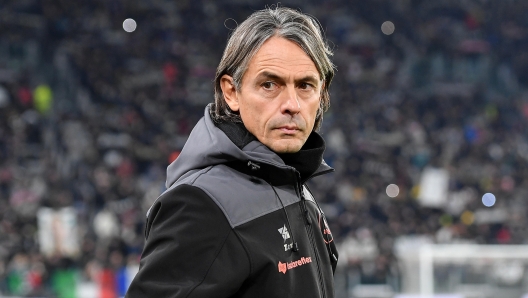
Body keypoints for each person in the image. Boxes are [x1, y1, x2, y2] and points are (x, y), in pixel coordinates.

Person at [126, 6, 338, 298]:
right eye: (269, 85)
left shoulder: (290, 179)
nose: (292, 104)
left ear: (322, 94)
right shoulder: (201, 204)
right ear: (231, 92)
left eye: (305, 86)